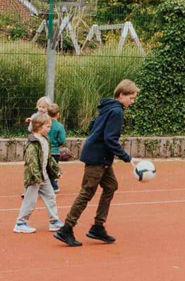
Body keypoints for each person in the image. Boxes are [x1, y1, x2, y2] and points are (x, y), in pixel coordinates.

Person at [56, 79, 137, 247]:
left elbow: (93, 126)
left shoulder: (107, 107)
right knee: (87, 192)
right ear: (121, 95)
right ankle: (66, 229)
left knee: (111, 186)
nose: (132, 101)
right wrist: (128, 158)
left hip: (101, 157)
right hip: (97, 158)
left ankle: (98, 227)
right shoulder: (116, 112)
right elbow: (110, 139)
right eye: (131, 97)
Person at [14, 111, 63, 233]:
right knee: (30, 201)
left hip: (44, 176)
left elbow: (48, 157)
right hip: (34, 178)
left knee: (51, 197)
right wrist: (37, 178)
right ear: (39, 126)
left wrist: (56, 170)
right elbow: (32, 163)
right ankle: (20, 223)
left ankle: (54, 222)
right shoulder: (33, 143)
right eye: (47, 127)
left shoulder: (45, 140)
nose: (49, 129)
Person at [42, 97, 67, 192]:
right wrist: (57, 143)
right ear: (58, 114)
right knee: (53, 169)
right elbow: (62, 140)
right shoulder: (60, 126)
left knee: (44, 167)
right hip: (55, 151)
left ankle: (46, 185)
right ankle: (54, 186)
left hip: (44, 150)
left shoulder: (44, 123)